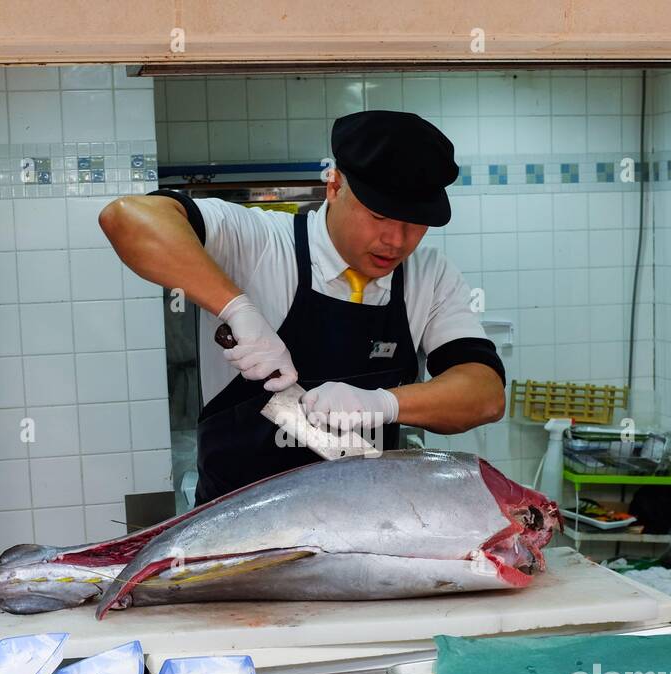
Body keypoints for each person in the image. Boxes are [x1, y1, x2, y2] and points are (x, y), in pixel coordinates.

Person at [99, 109, 506, 505]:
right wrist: (238, 308)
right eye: (379, 215)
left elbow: (485, 394)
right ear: (334, 186)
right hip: (238, 537)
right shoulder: (258, 241)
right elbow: (127, 218)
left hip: (366, 532)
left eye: (415, 223)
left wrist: (383, 403)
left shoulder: (429, 275)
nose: (396, 241)